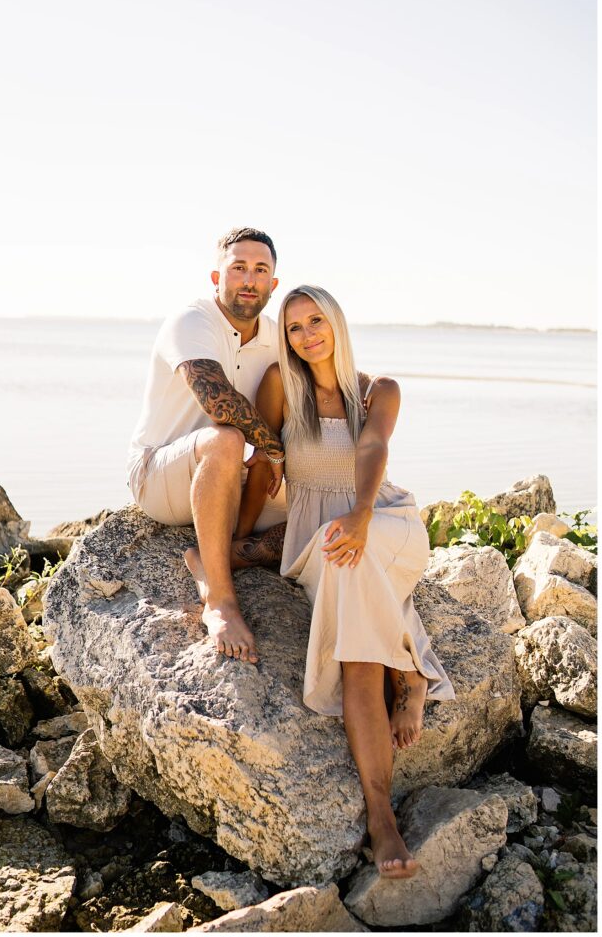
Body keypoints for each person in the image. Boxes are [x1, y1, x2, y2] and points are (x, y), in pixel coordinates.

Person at [188, 284, 455, 879]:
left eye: (316, 321)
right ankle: (408, 672)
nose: (307, 335)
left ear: (336, 322)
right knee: (334, 564)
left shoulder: (378, 389)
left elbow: (374, 444)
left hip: (383, 521)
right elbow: (265, 461)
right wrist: (236, 542)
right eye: (294, 328)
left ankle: (382, 817)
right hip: (319, 537)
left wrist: (361, 513)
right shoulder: (281, 386)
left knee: (353, 608)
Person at [126, 227, 287, 666]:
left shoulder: (276, 338)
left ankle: (218, 556)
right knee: (227, 438)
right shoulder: (192, 321)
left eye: (260, 270)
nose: (249, 280)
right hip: (160, 475)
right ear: (217, 277)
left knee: (320, 514)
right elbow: (216, 400)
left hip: (228, 480)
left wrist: (369, 393)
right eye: (238, 268)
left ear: (273, 283)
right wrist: (273, 450)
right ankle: (219, 601)